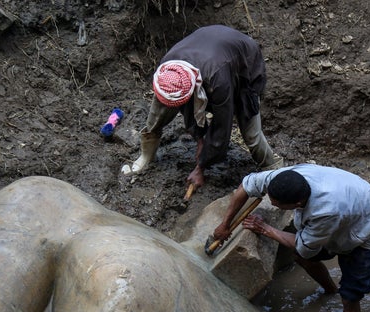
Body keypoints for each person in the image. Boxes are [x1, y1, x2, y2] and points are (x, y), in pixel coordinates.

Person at [212, 164, 370, 312]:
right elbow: (246, 185)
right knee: (301, 258)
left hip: (369, 229)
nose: (273, 206)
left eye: (278, 205)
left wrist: (265, 229)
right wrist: (225, 224)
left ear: (298, 203)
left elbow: (304, 247)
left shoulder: (325, 210)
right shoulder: (283, 178)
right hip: (349, 205)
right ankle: (331, 291)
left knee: (350, 296)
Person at [120, 25, 282, 191]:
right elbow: (187, 107)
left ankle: (273, 169)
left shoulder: (218, 82)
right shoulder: (168, 69)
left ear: (191, 90)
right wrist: (199, 138)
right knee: (157, 114)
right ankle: (146, 155)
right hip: (209, 50)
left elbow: (222, 127)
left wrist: (201, 167)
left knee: (250, 133)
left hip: (243, 64)